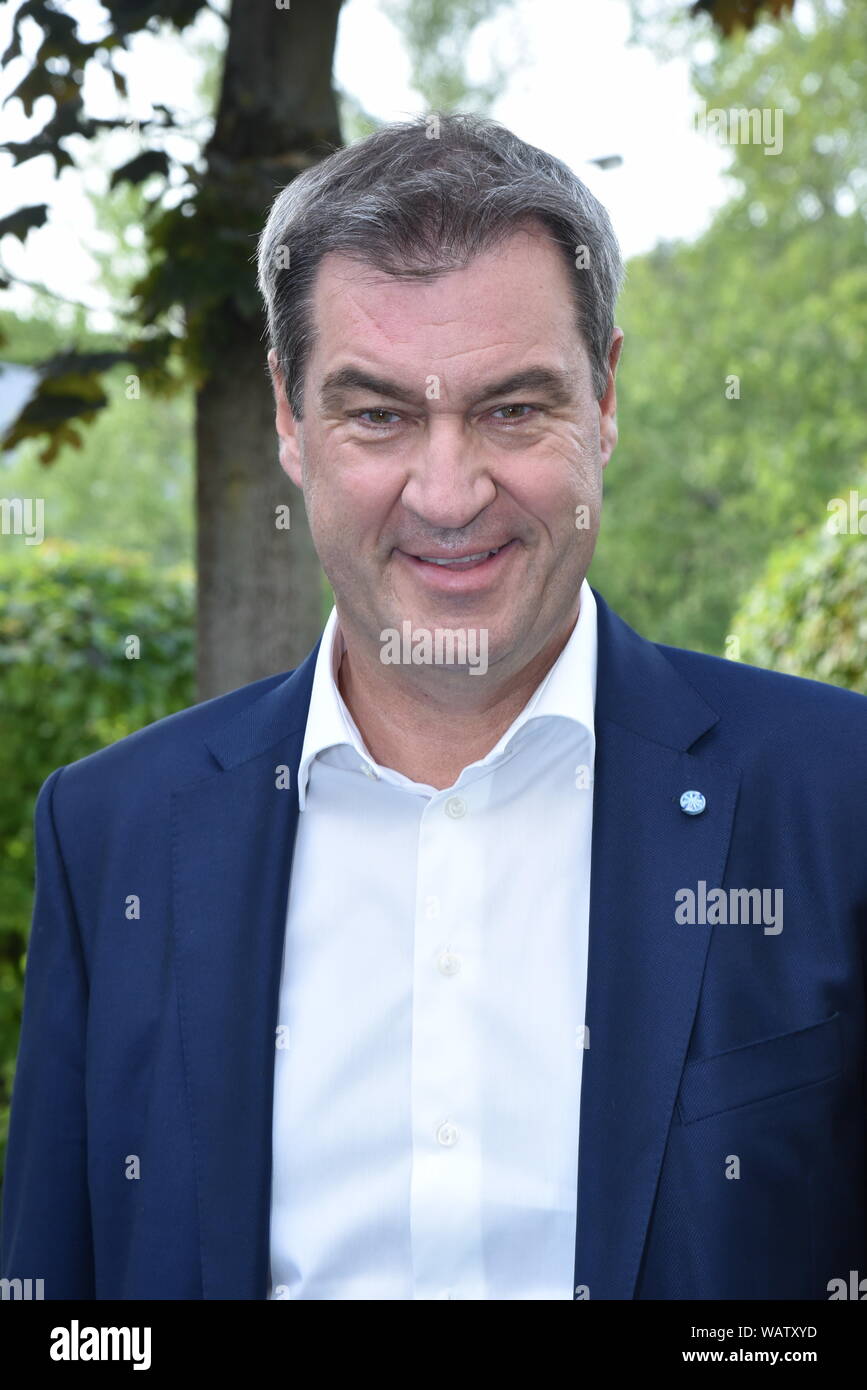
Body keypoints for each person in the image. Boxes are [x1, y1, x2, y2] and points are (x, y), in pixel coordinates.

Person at [2, 114, 865, 1301]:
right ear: (289, 420)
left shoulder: (837, 796)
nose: (449, 493)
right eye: (378, 415)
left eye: (515, 410)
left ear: (605, 398)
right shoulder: (111, 835)